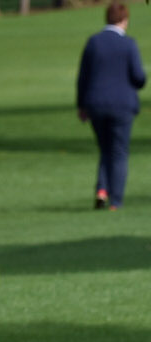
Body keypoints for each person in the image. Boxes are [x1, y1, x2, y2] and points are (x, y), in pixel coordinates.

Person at [76, 2, 146, 210]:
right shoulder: (128, 44)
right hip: (122, 105)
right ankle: (115, 200)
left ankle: (101, 190)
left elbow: (83, 77)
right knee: (118, 152)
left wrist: (81, 105)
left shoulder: (94, 42)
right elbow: (138, 77)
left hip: (96, 104)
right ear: (125, 20)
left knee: (105, 149)